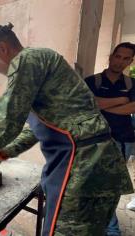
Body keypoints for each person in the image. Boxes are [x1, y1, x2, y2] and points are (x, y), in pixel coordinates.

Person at [0, 23, 133, 235]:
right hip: (99, 165)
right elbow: (37, 128)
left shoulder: (27, 59)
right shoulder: (43, 67)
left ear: (3, 49)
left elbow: (8, 120)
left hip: (82, 166)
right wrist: (2, 153)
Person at [84, 42, 135, 236]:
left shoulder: (131, 84)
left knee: (110, 187)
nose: (120, 61)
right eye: (118, 56)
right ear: (111, 56)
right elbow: (89, 105)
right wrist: (121, 100)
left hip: (122, 141)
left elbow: (133, 108)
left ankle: (111, 230)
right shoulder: (92, 81)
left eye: (126, 58)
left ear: (131, 61)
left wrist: (102, 105)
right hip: (94, 140)